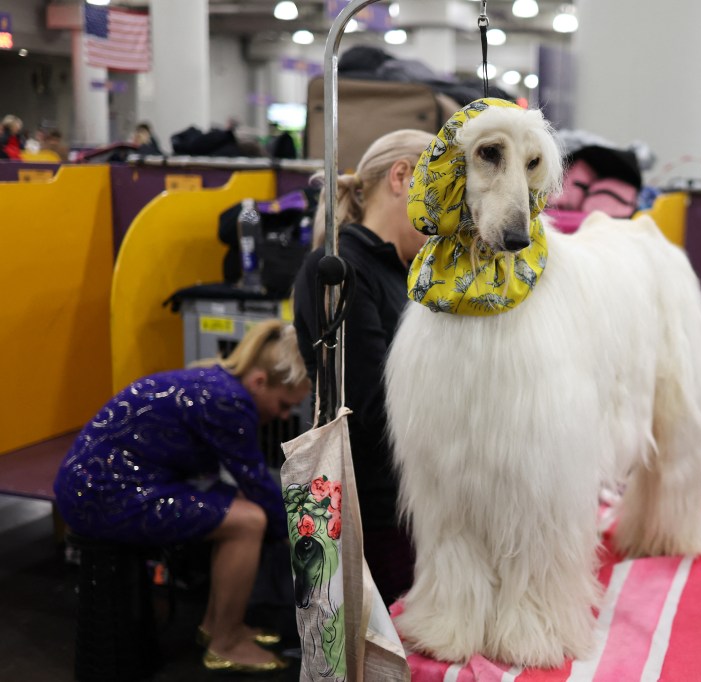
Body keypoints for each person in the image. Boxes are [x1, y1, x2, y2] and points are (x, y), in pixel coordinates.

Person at [53, 319, 310, 673]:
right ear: (260, 381)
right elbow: (255, 482)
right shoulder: (230, 401)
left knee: (242, 510)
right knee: (249, 520)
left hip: (95, 485)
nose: (283, 415)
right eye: (283, 405)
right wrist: (300, 540)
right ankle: (226, 641)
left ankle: (218, 625)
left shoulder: (216, 381)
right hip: (103, 495)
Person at [292, 128, 433, 605]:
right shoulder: (338, 268)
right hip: (365, 511)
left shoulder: (406, 274)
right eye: (442, 193)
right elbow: (371, 404)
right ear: (403, 177)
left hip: (405, 501)